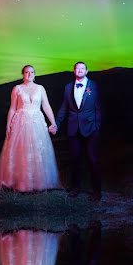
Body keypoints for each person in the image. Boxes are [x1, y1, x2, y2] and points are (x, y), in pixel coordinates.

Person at [0, 65, 60, 192]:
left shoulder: (40, 88)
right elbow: (12, 108)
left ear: (35, 74)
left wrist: (53, 122)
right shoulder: (17, 88)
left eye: (32, 72)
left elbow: (46, 106)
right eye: (27, 72)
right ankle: (20, 182)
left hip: (36, 122)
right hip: (20, 122)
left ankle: (37, 183)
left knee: (38, 151)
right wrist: (8, 125)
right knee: (20, 151)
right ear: (23, 74)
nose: (29, 74)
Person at [54, 61, 103, 201]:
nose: (80, 70)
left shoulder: (94, 85)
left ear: (86, 71)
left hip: (90, 129)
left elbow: (98, 107)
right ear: (74, 71)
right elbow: (64, 107)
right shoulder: (68, 87)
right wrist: (57, 123)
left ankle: (97, 191)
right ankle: (75, 188)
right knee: (75, 160)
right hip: (73, 129)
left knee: (93, 160)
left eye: (82, 68)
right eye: (77, 68)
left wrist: (97, 126)